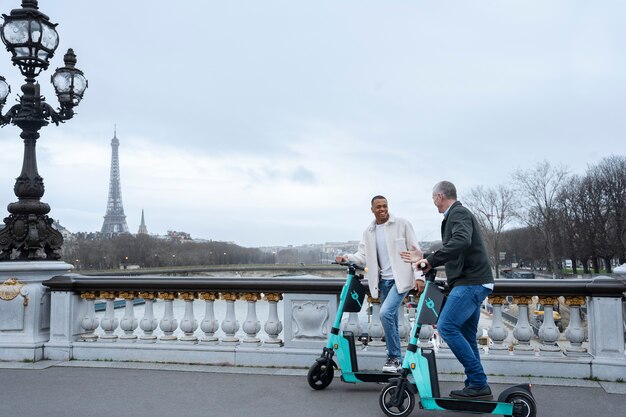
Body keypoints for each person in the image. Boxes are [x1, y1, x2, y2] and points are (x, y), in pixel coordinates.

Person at [400, 181, 494, 400]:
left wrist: (430, 261)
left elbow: (460, 242)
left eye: (433, 198)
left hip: (471, 282)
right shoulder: (457, 215)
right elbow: (457, 247)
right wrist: (425, 257)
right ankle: (475, 385)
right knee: (468, 336)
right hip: (473, 281)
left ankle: (478, 382)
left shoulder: (458, 213)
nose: (433, 203)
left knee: (447, 326)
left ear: (440, 196)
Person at [336, 195, 424, 373]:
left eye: (385, 206)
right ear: (372, 209)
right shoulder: (369, 231)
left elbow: (416, 252)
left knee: (384, 314)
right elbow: (362, 256)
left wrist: (419, 276)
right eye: (379, 207)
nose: (383, 209)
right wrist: (346, 258)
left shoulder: (402, 224)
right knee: (388, 317)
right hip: (383, 282)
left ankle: (395, 358)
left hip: (400, 280)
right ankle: (396, 361)